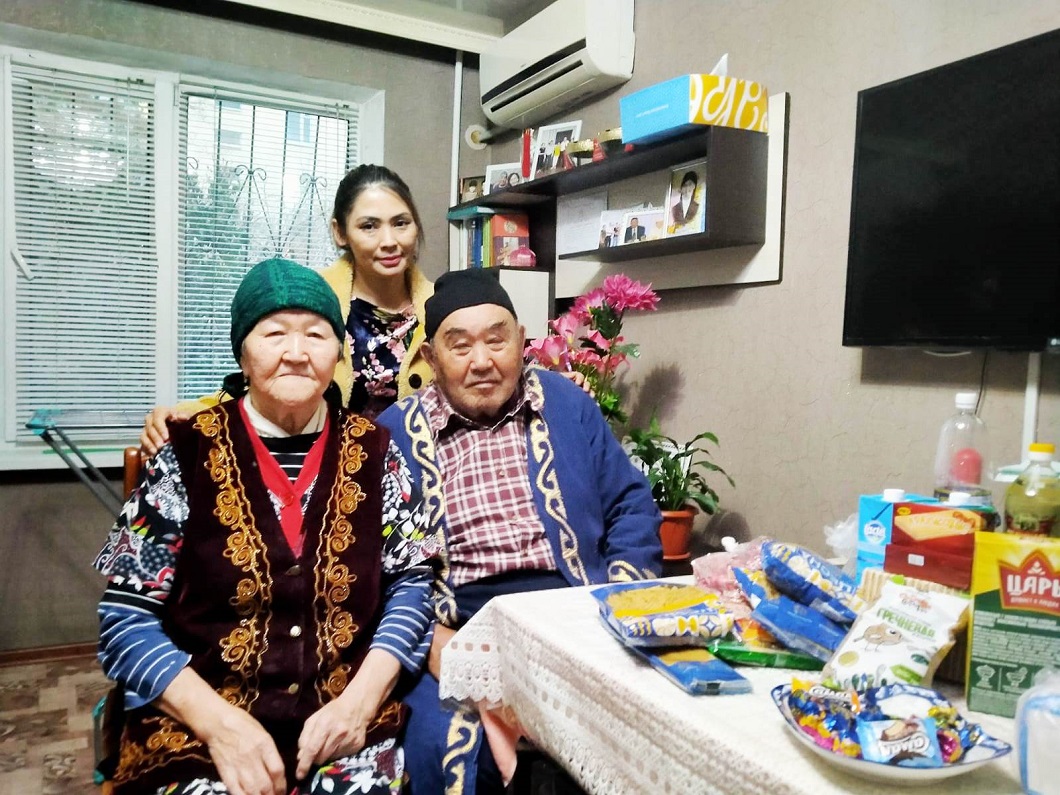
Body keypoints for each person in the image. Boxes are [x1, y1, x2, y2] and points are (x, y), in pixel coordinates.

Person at [95, 258, 442, 795]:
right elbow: (125, 618)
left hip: (345, 720)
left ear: (338, 353)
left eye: (316, 335)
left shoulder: (377, 451)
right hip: (198, 726)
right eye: (274, 333)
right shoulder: (185, 454)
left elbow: (412, 588)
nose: (296, 352)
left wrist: (360, 703)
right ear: (243, 352)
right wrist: (219, 725)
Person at [376, 268, 662, 794]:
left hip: (573, 613)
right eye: (459, 346)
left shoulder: (566, 405)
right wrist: (428, 637)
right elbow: (372, 560)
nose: (482, 361)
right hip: (458, 624)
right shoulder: (393, 433)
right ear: (431, 358)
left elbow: (630, 504)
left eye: (497, 339)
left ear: (522, 340)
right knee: (444, 748)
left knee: (650, 727)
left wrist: (618, 596)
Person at [140, 164, 435, 453]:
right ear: (340, 232)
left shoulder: (442, 308)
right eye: (369, 226)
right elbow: (259, 380)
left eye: (401, 223)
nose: (389, 241)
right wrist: (186, 412)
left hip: (421, 467)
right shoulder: (310, 302)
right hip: (327, 468)